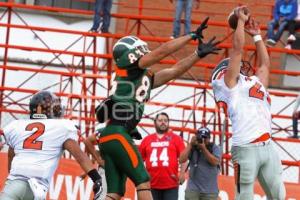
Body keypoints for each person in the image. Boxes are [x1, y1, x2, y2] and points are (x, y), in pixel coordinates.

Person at [96, 17, 220, 200]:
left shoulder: (135, 78)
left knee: (114, 193)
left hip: (110, 136)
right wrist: (190, 35)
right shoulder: (129, 70)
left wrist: (197, 55)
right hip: (118, 133)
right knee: (144, 182)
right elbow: (161, 52)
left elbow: (174, 71)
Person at [211, 6, 286, 200]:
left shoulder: (252, 81)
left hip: (267, 146)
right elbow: (236, 51)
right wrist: (241, 22)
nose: (242, 66)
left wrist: (257, 37)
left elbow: (265, 65)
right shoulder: (229, 85)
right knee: (243, 196)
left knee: (279, 195)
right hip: (245, 147)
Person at [0, 91, 102, 200]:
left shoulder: (16, 126)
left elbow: (11, 155)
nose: (57, 110)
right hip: (38, 191)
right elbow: (80, 156)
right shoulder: (62, 126)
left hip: (15, 185)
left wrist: (11, 179)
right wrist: (97, 179)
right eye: (54, 107)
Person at [139, 112, 186, 200]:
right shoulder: (146, 140)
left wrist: (182, 173)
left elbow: (184, 158)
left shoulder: (176, 139)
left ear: (168, 122)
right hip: (151, 184)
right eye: (160, 120)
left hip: (171, 184)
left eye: (165, 120)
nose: (163, 122)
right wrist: (143, 175)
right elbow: (139, 160)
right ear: (155, 122)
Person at [179, 127, 221, 200]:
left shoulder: (214, 148)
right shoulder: (193, 147)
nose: (203, 140)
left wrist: (203, 149)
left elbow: (215, 162)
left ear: (209, 138)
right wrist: (190, 145)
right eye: (201, 137)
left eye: (205, 138)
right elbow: (181, 159)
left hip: (210, 191)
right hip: (193, 188)